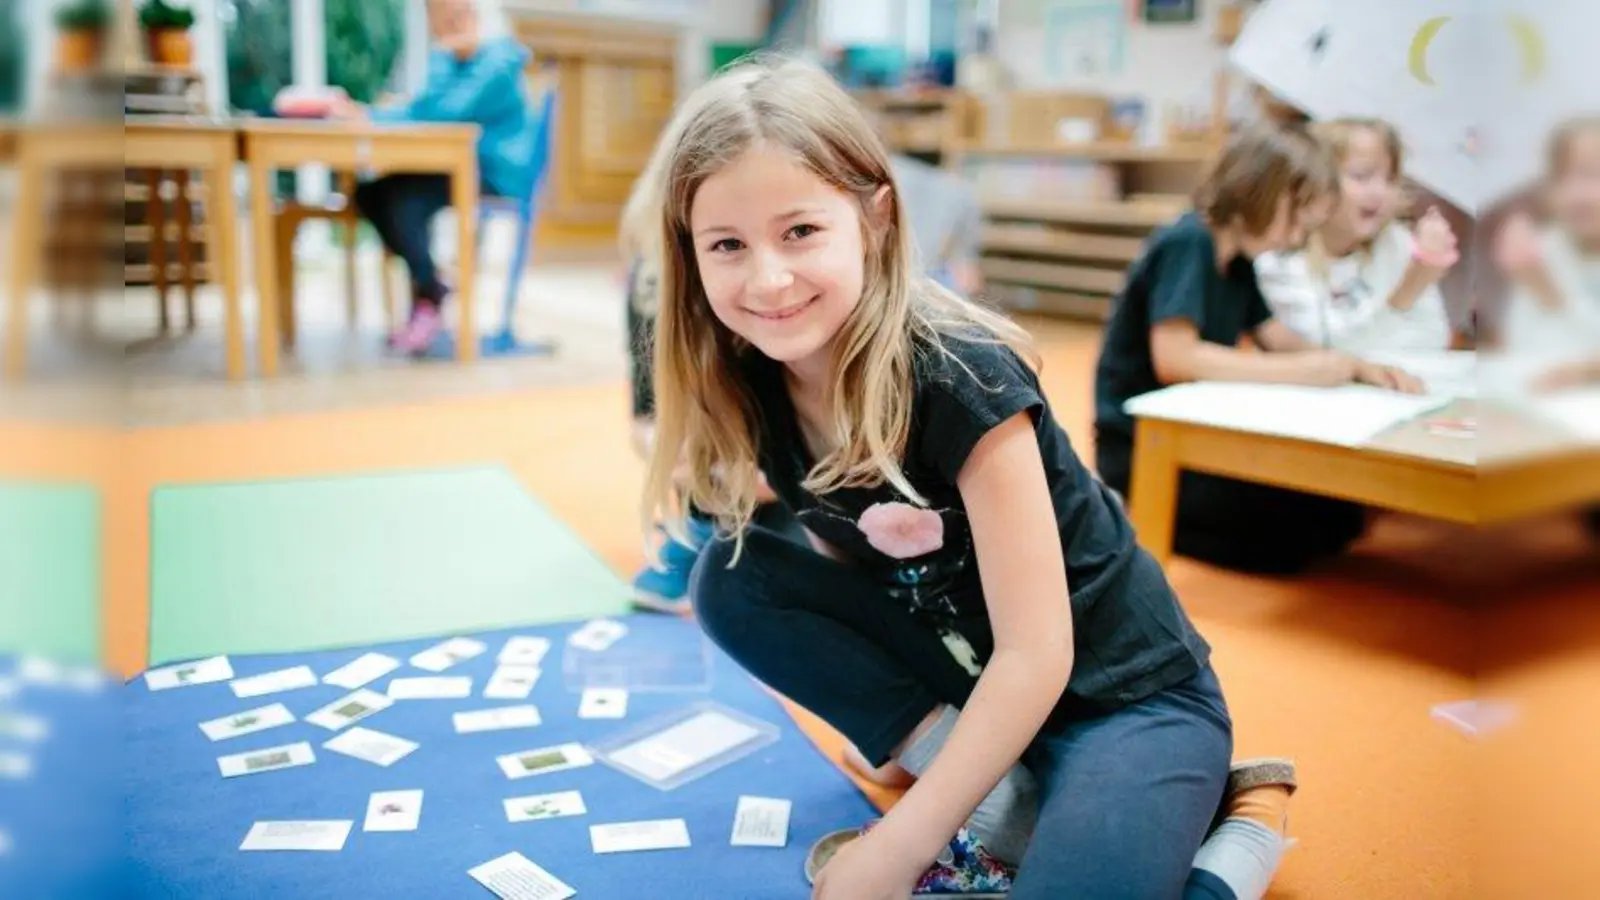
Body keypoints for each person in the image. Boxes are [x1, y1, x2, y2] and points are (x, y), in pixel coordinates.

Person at [644, 56, 1299, 900]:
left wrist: (901, 844)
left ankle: (1240, 829)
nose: (767, 280)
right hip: (976, 681)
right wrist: (896, 723)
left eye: (801, 231)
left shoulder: (962, 378)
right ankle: (1031, 807)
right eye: (728, 246)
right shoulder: (753, 374)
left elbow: (1037, 655)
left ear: (874, 218)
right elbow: (849, 555)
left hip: (1122, 701)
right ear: (689, 252)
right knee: (731, 577)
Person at [1094, 123, 1423, 575]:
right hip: (1139, 446)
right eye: (1297, 220)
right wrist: (1305, 371)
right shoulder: (1189, 243)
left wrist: (1354, 366)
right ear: (1265, 193)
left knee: (1335, 516)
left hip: (1195, 432)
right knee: (1293, 541)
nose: (1295, 238)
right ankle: (1137, 513)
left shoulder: (1242, 263)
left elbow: (1279, 338)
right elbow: (1175, 358)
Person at [333, 0, 538, 355]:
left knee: (404, 198)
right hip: (456, 167)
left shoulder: (500, 60)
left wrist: (442, 55)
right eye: (442, 22)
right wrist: (368, 115)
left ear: (474, 14)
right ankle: (431, 286)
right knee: (372, 193)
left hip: (494, 173)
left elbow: (443, 114)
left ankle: (428, 292)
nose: (451, 27)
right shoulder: (454, 62)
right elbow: (419, 111)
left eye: (458, 16)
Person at [1254, 118, 1456, 353]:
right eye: (1361, 176)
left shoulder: (1396, 242)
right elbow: (1327, 353)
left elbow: (1434, 337)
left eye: (1390, 179)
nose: (1379, 192)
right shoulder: (1282, 256)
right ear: (1318, 181)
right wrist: (1408, 291)